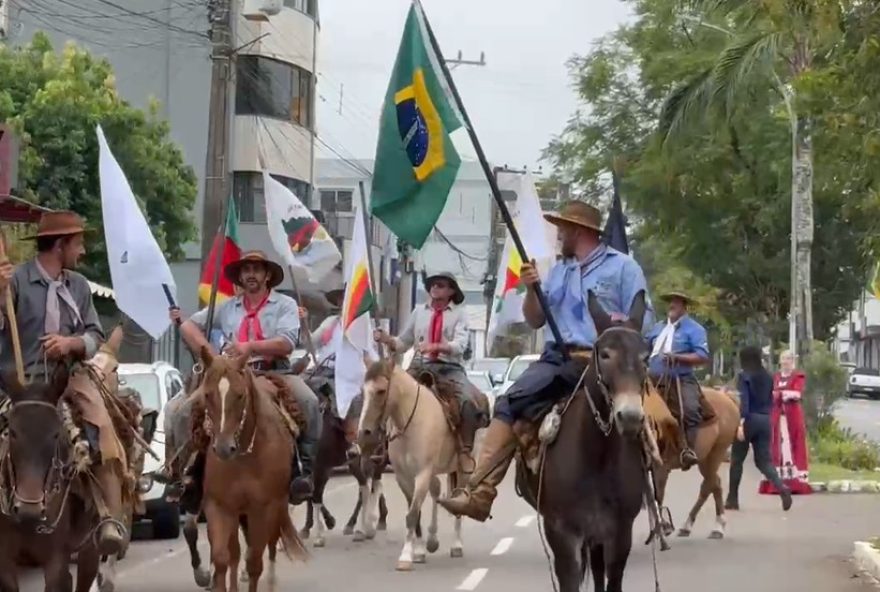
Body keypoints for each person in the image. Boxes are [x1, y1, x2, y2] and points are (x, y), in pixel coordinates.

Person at [439, 201, 652, 522]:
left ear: (580, 231)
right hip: (558, 357)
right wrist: (532, 290)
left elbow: (644, 320)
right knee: (510, 402)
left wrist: (616, 326)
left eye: (563, 228)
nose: (559, 234)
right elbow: (535, 320)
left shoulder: (623, 267)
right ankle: (481, 492)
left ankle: (654, 494)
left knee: (655, 418)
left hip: (609, 358)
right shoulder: (558, 270)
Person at [0, 210, 127, 554]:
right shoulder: (15, 282)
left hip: (69, 380)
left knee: (101, 426)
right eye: (78, 243)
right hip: (18, 384)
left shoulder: (79, 286)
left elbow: (95, 334)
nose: (82, 251)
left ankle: (108, 517)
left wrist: (70, 343)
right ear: (59, 246)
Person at [172, 250, 322, 504]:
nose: (250, 275)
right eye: (246, 270)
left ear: (266, 276)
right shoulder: (227, 307)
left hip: (273, 372)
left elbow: (286, 343)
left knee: (309, 402)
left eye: (256, 269)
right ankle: (182, 474)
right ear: (240, 277)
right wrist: (192, 334)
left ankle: (303, 472)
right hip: (231, 376)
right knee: (181, 410)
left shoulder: (284, 305)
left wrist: (250, 347)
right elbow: (191, 326)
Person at [374, 272, 485, 466]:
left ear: (451, 291)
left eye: (441, 285)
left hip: (449, 368)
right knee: (388, 393)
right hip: (420, 364)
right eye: (432, 285)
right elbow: (402, 343)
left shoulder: (460, 313)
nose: (435, 288)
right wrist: (387, 339)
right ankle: (382, 446)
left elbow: (461, 345)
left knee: (467, 401)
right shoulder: (419, 312)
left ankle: (465, 451)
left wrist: (437, 346)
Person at [646, 291, 711, 470]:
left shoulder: (695, 329)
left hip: (680, 378)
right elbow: (644, 349)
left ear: (684, 306)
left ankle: (686, 451)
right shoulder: (658, 328)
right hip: (651, 378)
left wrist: (678, 357)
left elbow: (702, 356)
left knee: (690, 410)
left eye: (676, 302)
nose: (671, 306)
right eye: (670, 302)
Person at [726, 346, 793, 511]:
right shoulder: (769, 376)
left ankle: (732, 499)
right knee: (764, 461)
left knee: (736, 460)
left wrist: (740, 423)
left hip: (749, 419)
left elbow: (745, 401)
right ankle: (781, 487)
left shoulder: (745, 376)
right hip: (765, 420)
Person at [760, 350, 812, 495]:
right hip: (777, 418)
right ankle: (776, 482)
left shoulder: (798, 376)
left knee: (793, 446)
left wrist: (778, 394)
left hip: (792, 418)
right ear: (780, 361)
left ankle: (794, 483)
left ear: (793, 361)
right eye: (783, 359)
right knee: (775, 447)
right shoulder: (775, 377)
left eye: (788, 359)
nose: (786, 361)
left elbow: (796, 394)